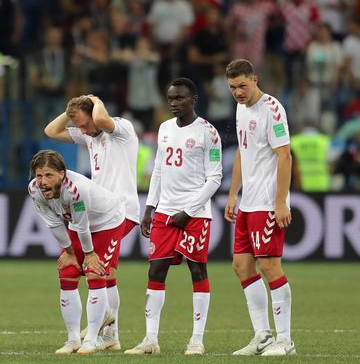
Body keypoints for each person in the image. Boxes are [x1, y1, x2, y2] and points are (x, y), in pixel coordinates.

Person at [124, 78, 222, 356]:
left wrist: (189, 211)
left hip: (195, 214)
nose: (174, 104)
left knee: (197, 270)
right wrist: (149, 207)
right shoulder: (165, 128)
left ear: (194, 99)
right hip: (165, 212)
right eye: (170, 99)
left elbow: (215, 177)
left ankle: (196, 340)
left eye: (179, 98)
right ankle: (150, 340)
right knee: (155, 271)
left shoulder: (208, 132)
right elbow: (158, 169)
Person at [44, 94, 140, 350]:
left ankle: (98, 331)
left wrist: (94, 100)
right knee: (107, 273)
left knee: (96, 267)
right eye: (81, 127)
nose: (84, 131)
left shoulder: (121, 129)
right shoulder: (90, 134)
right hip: (98, 213)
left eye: (85, 125)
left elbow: (99, 119)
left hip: (122, 210)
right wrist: (71, 112)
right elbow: (51, 131)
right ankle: (111, 336)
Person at [224, 59, 295, 356]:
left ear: (255, 79)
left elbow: (285, 156)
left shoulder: (272, 109)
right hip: (248, 202)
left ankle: (285, 340)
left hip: (267, 203)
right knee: (241, 266)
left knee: (269, 266)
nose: (238, 92)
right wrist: (232, 193)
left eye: (242, 85)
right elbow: (243, 151)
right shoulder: (241, 109)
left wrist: (280, 201)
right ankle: (263, 336)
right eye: (232, 88)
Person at [28, 150, 124, 355]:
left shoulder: (74, 189)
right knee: (68, 271)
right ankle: (73, 339)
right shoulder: (34, 190)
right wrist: (70, 253)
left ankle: (90, 339)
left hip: (108, 221)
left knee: (94, 271)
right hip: (78, 224)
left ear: (62, 174)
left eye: (48, 175)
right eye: (38, 175)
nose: (42, 181)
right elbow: (54, 223)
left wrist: (89, 254)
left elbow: (82, 226)